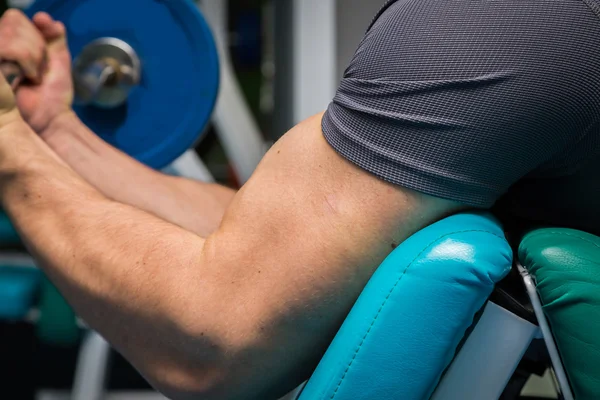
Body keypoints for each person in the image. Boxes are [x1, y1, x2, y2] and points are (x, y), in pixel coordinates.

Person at [0, 1, 598, 399]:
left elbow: (209, 338)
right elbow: (287, 252)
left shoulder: (504, 24)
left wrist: (7, 149)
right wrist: (51, 129)